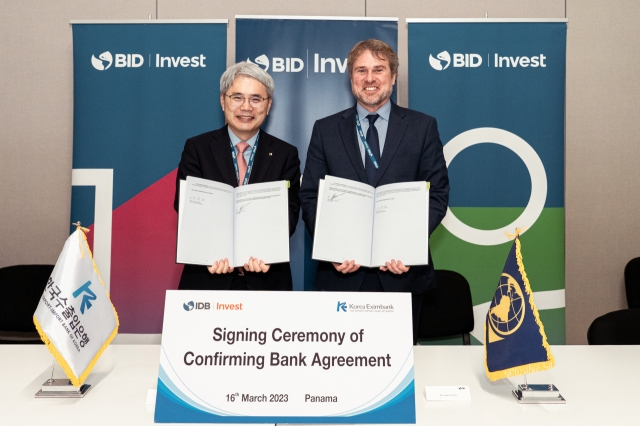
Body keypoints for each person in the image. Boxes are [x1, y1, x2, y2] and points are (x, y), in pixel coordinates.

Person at [299, 39, 449, 343]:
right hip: (341, 275)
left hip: (402, 273)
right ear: (351, 78)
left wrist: (408, 246)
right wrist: (333, 247)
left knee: (398, 370)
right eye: (361, 70)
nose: (370, 79)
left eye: (379, 70)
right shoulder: (325, 129)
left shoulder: (422, 127)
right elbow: (311, 196)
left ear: (393, 77)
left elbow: (437, 194)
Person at [174, 62, 300, 291]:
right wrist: (209, 253)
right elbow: (185, 209)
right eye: (238, 97)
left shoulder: (285, 154)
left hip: (267, 280)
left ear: (268, 105)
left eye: (256, 99)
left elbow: (289, 215)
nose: (246, 107)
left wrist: (265, 252)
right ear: (223, 101)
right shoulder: (198, 148)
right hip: (207, 279)